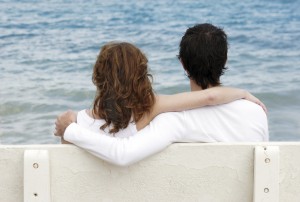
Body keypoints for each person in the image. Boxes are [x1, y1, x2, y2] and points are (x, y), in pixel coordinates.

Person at [54, 23, 269, 166]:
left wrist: (70, 129)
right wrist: (242, 93)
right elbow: (209, 97)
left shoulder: (173, 120)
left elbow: (123, 153)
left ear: (183, 64)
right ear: (225, 60)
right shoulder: (256, 112)